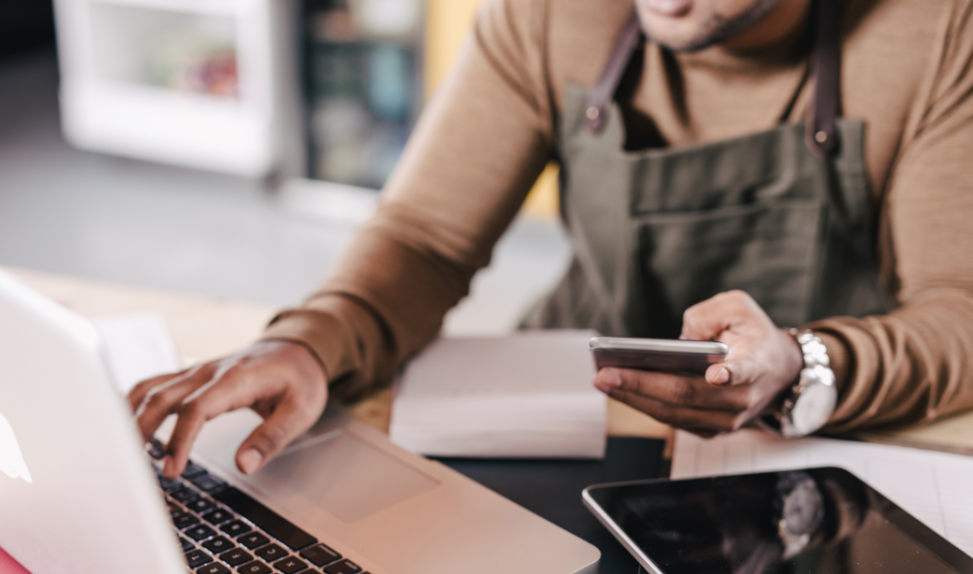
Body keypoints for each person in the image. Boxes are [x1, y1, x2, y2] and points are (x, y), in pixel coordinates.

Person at [132, 0, 973, 479]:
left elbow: (958, 313)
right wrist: (311, 343)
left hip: (820, 447)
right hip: (571, 418)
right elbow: (426, 236)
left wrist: (804, 366)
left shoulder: (938, 30)